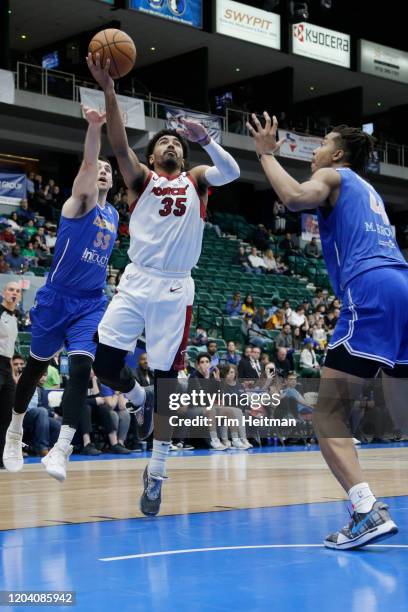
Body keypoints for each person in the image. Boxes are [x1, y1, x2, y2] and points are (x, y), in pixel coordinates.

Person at [87, 52, 240, 516]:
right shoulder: (140, 179)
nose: (172, 145)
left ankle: (156, 472)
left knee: (169, 381)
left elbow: (232, 171)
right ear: (153, 155)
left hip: (175, 289)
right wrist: (110, 91)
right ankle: (135, 400)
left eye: (177, 142)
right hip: (136, 281)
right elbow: (117, 141)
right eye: (165, 143)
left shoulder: (196, 179)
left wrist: (208, 140)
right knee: (104, 363)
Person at [247, 112, 405, 549]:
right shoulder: (370, 192)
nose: (314, 151)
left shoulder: (336, 176)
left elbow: (296, 197)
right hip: (401, 287)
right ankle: (365, 506)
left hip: (370, 288)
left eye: (321, 144)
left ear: (337, 154)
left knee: (328, 416)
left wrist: (265, 154)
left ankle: (364, 509)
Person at [3, 106, 119, 479]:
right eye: (100, 167)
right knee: (36, 368)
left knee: (82, 368)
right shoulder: (78, 203)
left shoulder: (114, 216)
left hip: (90, 302)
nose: (103, 170)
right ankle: (14, 430)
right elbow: (88, 164)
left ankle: (62, 449)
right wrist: (94, 127)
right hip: (56, 299)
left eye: (109, 170)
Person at [0, 283, 21, 468]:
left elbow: (10, 349)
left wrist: (13, 373)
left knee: (7, 414)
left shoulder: (16, 317)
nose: (14, 293)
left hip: (6, 367)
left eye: (17, 291)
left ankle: (1, 457)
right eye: (10, 290)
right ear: (3, 293)